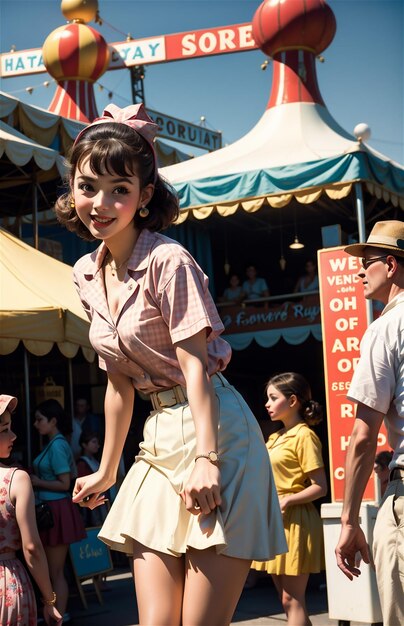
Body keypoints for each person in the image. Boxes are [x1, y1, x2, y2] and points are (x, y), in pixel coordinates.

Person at [54, 102, 287, 626]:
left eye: (120, 189)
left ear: (145, 196)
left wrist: (208, 458)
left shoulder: (168, 259)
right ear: (72, 186)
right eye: (89, 186)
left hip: (216, 430)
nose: (101, 203)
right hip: (157, 439)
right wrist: (108, 470)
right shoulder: (85, 274)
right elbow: (117, 384)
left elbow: (197, 368)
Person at [335, 220, 404, 626]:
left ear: (391, 266)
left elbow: (363, 436)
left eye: (368, 262)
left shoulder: (385, 327)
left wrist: (348, 521)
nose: (359, 271)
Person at [251, 372, 327, 626]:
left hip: (296, 521)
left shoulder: (305, 436)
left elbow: (320, 487)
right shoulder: (274, 438)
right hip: (276, 520)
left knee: (292, 599)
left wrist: (287, 500)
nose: (267, 404)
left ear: (292, 400)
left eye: (273, 398)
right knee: (287, 600)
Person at [0, 394, 62, 626]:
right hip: (7, 584)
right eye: (5, 429)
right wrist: (49, 599)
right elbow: (31, 547)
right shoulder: (16, 479)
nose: (13, 436)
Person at [31, 399, 86, 621]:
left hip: (55, 510)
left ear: (53, 421)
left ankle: (58, 616)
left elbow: (65, 483)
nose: (36, 424)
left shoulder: (57, 445)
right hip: (52, 510)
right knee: (53, 571)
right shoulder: (55, 443)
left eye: (39, 419)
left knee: (55, 572)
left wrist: (36, 481)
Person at [76, 431, 109, 527]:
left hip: (101, 498)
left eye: (98, 443)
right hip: (91, 501)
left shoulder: (95, 461)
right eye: (94, 442)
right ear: (84, 445)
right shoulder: (82, 463)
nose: (97, 445)